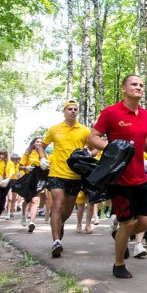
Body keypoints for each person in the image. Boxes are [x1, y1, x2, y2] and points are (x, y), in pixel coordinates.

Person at [86, 74, 147, 279]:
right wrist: (112, 148)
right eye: (134, 84)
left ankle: (120, 236)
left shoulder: (145, 114)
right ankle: (119, 264)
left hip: (140, 177)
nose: (139, 87)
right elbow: (92, 137)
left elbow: (142, 137)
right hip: (119, 179)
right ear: (123, 88)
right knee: (126, 223)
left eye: (141, 85)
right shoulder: (111, 113)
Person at [39, 100, 91, 258]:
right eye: (70, 109)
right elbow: (41, 145)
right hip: (56, 172)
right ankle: (56, 241)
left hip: (75, 176)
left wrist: (89, 155)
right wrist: (42, 158)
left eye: (75, 109)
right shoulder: (54, 129)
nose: (73, 111)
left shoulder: (84, 131)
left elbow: (94, 146)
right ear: (64, 111)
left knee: (67, 210)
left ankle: (59, 224)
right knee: (57, 203)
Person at [20, 137, 45, 233]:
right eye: (37, 142)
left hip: (39, 178)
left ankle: (32, 222)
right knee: (27, 199)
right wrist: (27, 167)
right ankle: (23, 214)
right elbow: (20, 167)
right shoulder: (28, 153)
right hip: (28, 177)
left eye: (41, 142)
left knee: (34, 199)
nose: (39, 143)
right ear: (33, 143)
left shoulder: (44, 154)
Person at [0, 149, 15, 223]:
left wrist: (8, 179)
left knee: (3, 198)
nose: (0, 156)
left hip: (6, 182)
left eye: (2, 154)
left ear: (6, 155)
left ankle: (0, 213)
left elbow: (11, 172)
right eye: (0, 154)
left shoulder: (10, 163)